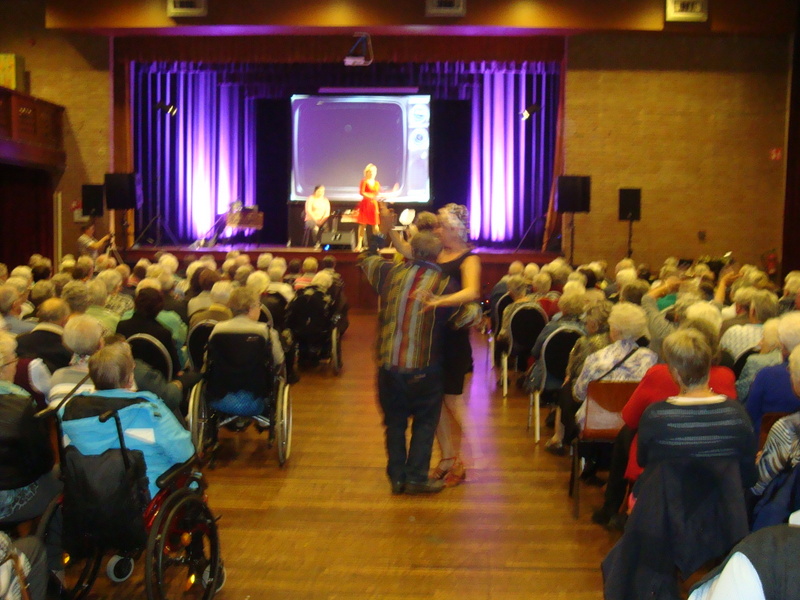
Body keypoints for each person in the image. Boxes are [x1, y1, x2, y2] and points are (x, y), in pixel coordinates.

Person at [360, 231, 480, 494]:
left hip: (388, 366)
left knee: (394, 424)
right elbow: (467, 316)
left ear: (412, 251)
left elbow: (367, 260)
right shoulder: (443, 284)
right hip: (425, 368)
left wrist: (377, 242)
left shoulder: (389, 274)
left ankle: (397, 478)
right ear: (438, 255)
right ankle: (416, 477)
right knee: (425, 423)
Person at [59, 342, 195, 500]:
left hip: (90, 492)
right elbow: (184, 453)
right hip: (143, 493)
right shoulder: (148, 411)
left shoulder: (70, 409)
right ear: (130, 378)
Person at [356, 164, 381, 251]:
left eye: (373, 171)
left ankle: (376, 245)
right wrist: (370, 196)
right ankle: (359, 244)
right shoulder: (364, 181)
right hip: (365, 205)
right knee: (363, 225)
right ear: (366, 172)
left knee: (375, 226)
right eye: (369, 171)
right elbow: (361, 192)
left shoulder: (377, 183)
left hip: (374, 205)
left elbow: (377, 194)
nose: (371, 173)